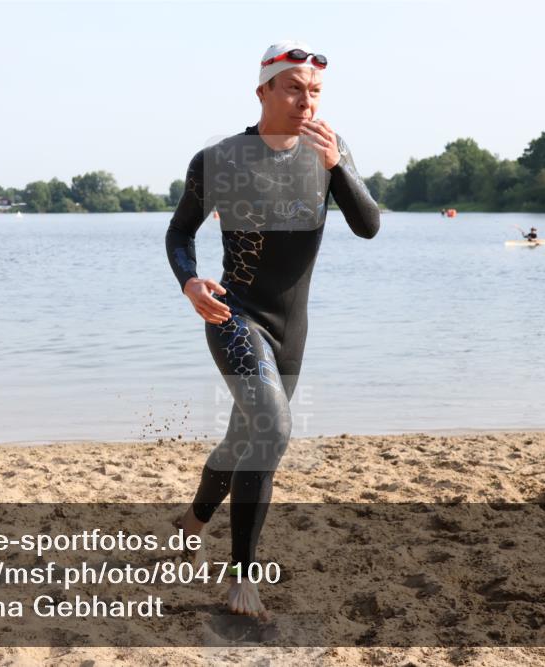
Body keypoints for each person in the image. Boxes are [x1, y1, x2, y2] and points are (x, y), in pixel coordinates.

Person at [165, 40, 379, 619]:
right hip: (234, 316)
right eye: (293, 87)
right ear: (263, 90)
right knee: (274, 428)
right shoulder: (219, 159)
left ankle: (191, 522)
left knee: (245, 440)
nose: (305, 101)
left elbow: (368, 226)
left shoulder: (330, 152)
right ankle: (241, 578)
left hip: (293, 327)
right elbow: (179, 235)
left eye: (314, 91)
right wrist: (189, 282)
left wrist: (338, 167)